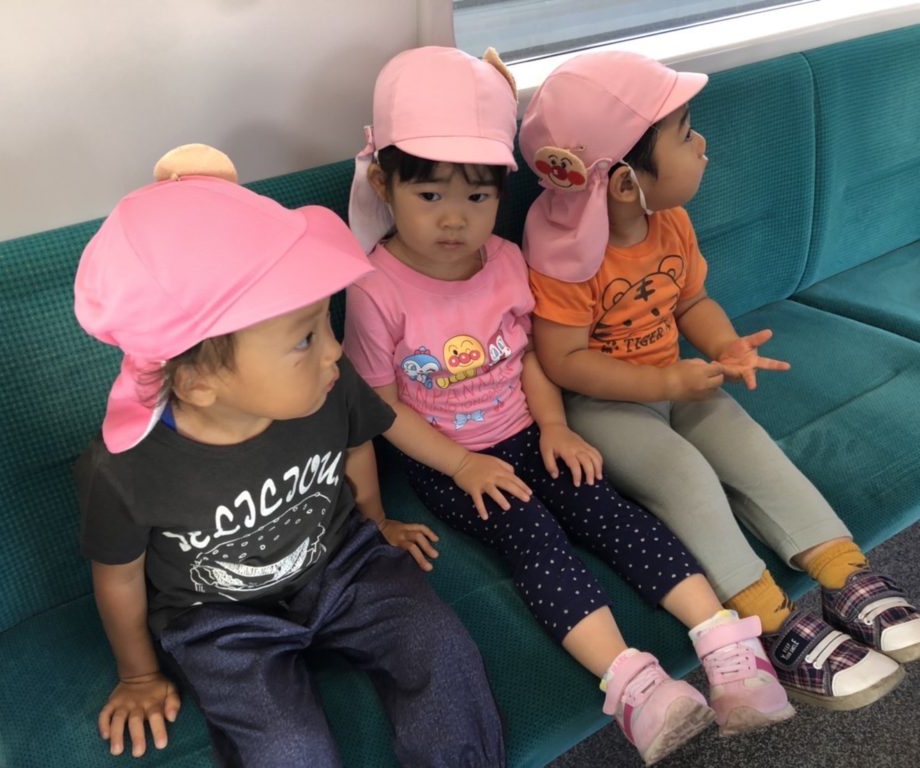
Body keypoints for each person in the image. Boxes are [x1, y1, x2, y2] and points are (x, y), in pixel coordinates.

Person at [343, 46, 793, 766]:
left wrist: (554, 425)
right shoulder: (374, 288)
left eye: (478, 198)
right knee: (535, 537)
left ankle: (723, 641)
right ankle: (634, 684)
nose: (456, 220)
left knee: (605, 505)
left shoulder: (503, 259)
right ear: (383, 184)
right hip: (452, 460)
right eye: (429, 197)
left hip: (529, 430)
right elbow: (379, 402)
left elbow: (526, 356)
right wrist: (462, 465)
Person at [73, 144, 505, 767]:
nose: (334, 351)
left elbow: (355, 445)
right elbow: (117, 576)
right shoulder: (125, 470)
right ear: (196, 382)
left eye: (326, 322)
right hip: (218, 619)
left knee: (440, 648)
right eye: (304, 338)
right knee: (286, 748)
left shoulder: (327, 385)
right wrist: (138, 674)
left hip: (343, 564)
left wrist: (376, 521)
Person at [520, 50, 920, 714]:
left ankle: (842, 571)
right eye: (685, 135)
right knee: (684, 476)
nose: (703, 145)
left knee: (752, 449)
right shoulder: (564, 253)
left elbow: (691, 302)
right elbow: (563, 361)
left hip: (678, 380)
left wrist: (724, 345)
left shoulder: (669, 221)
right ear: (623, 184)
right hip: (602, 404)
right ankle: (768, 617)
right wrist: (665, 383)